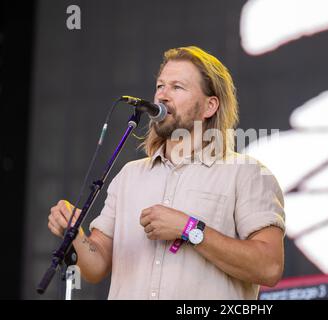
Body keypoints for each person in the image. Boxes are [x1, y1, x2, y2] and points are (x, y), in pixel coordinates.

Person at [48, 46, 285, 300]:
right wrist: (75, 233)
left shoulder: (247, 173)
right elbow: (96, 267)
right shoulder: (129, 176)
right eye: (160, 86)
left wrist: (189, 228)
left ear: (209, 106)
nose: (162, 95)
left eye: (177, 87)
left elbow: (269, 267)